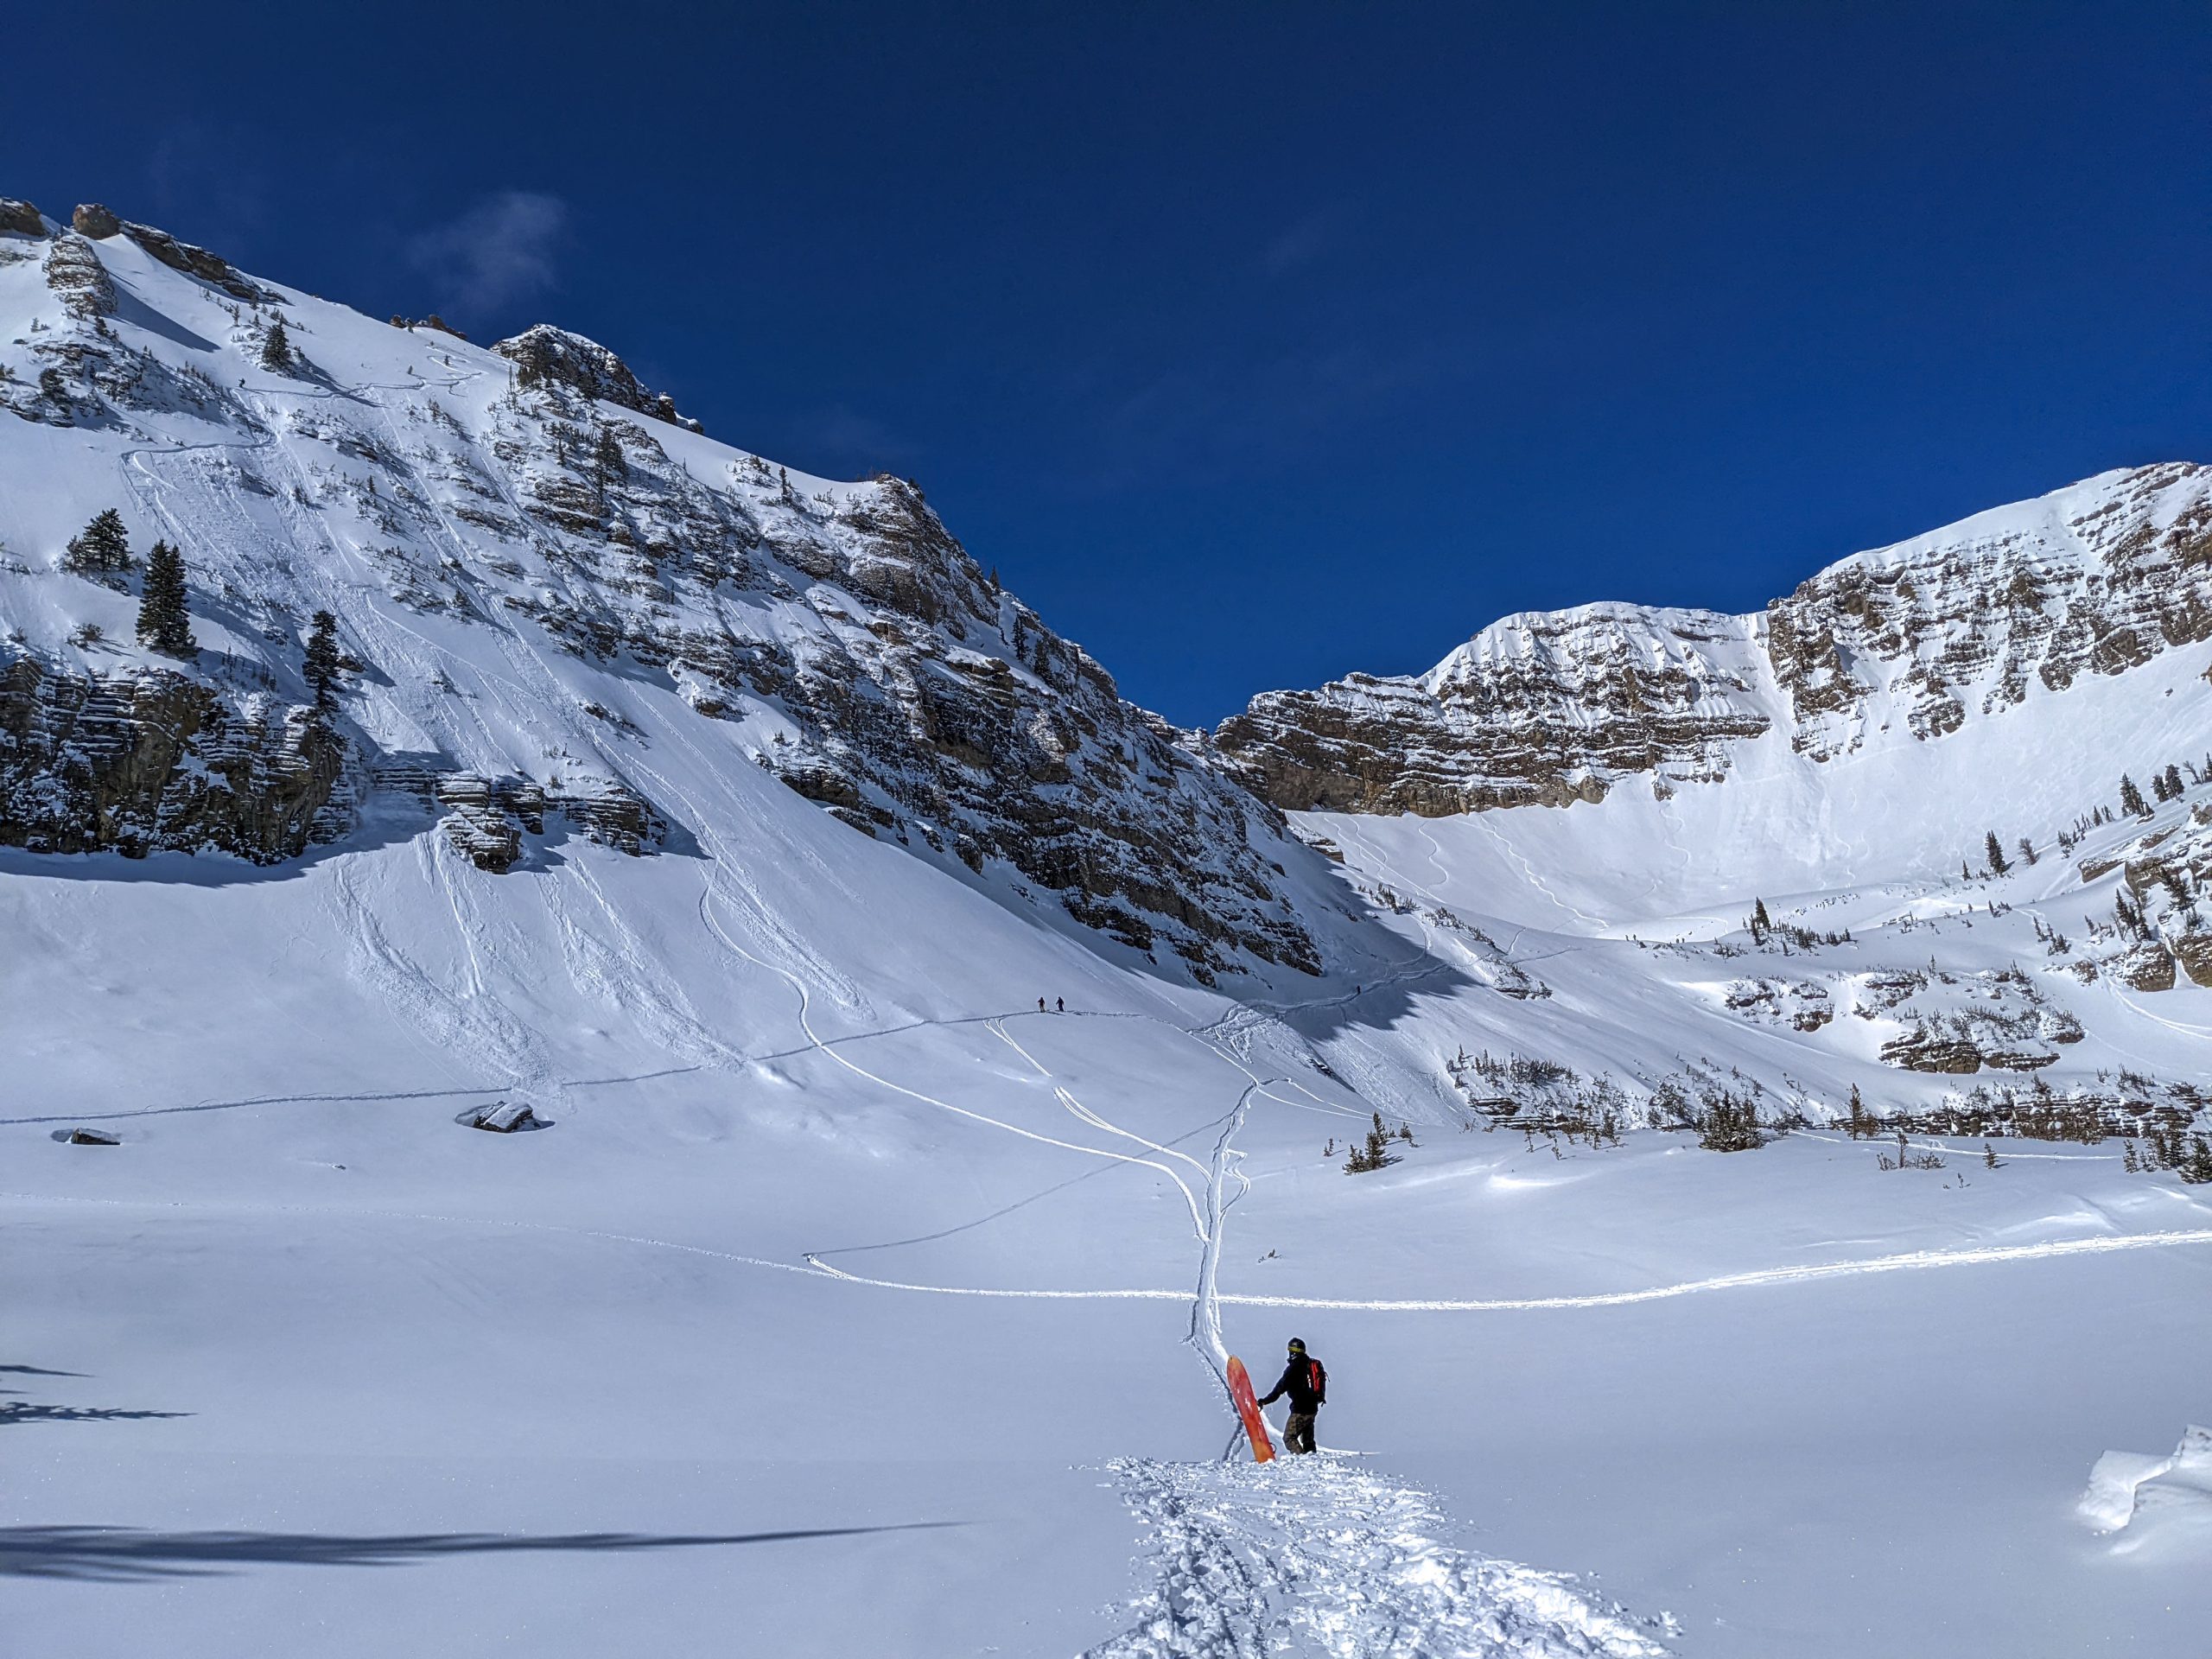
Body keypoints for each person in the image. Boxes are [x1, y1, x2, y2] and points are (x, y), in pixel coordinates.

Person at [1256, 1337, 1326, 1453]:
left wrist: (1264, 1401)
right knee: (1308, 1440)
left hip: (1300, 1410)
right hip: (1312, 1409)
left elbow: (1279, 1388)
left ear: (1292, 1352)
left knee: (1289, 1438)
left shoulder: (1294, 1368)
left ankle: (1302, 1461)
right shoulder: (1310, 1364)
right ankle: (1313, 1461)